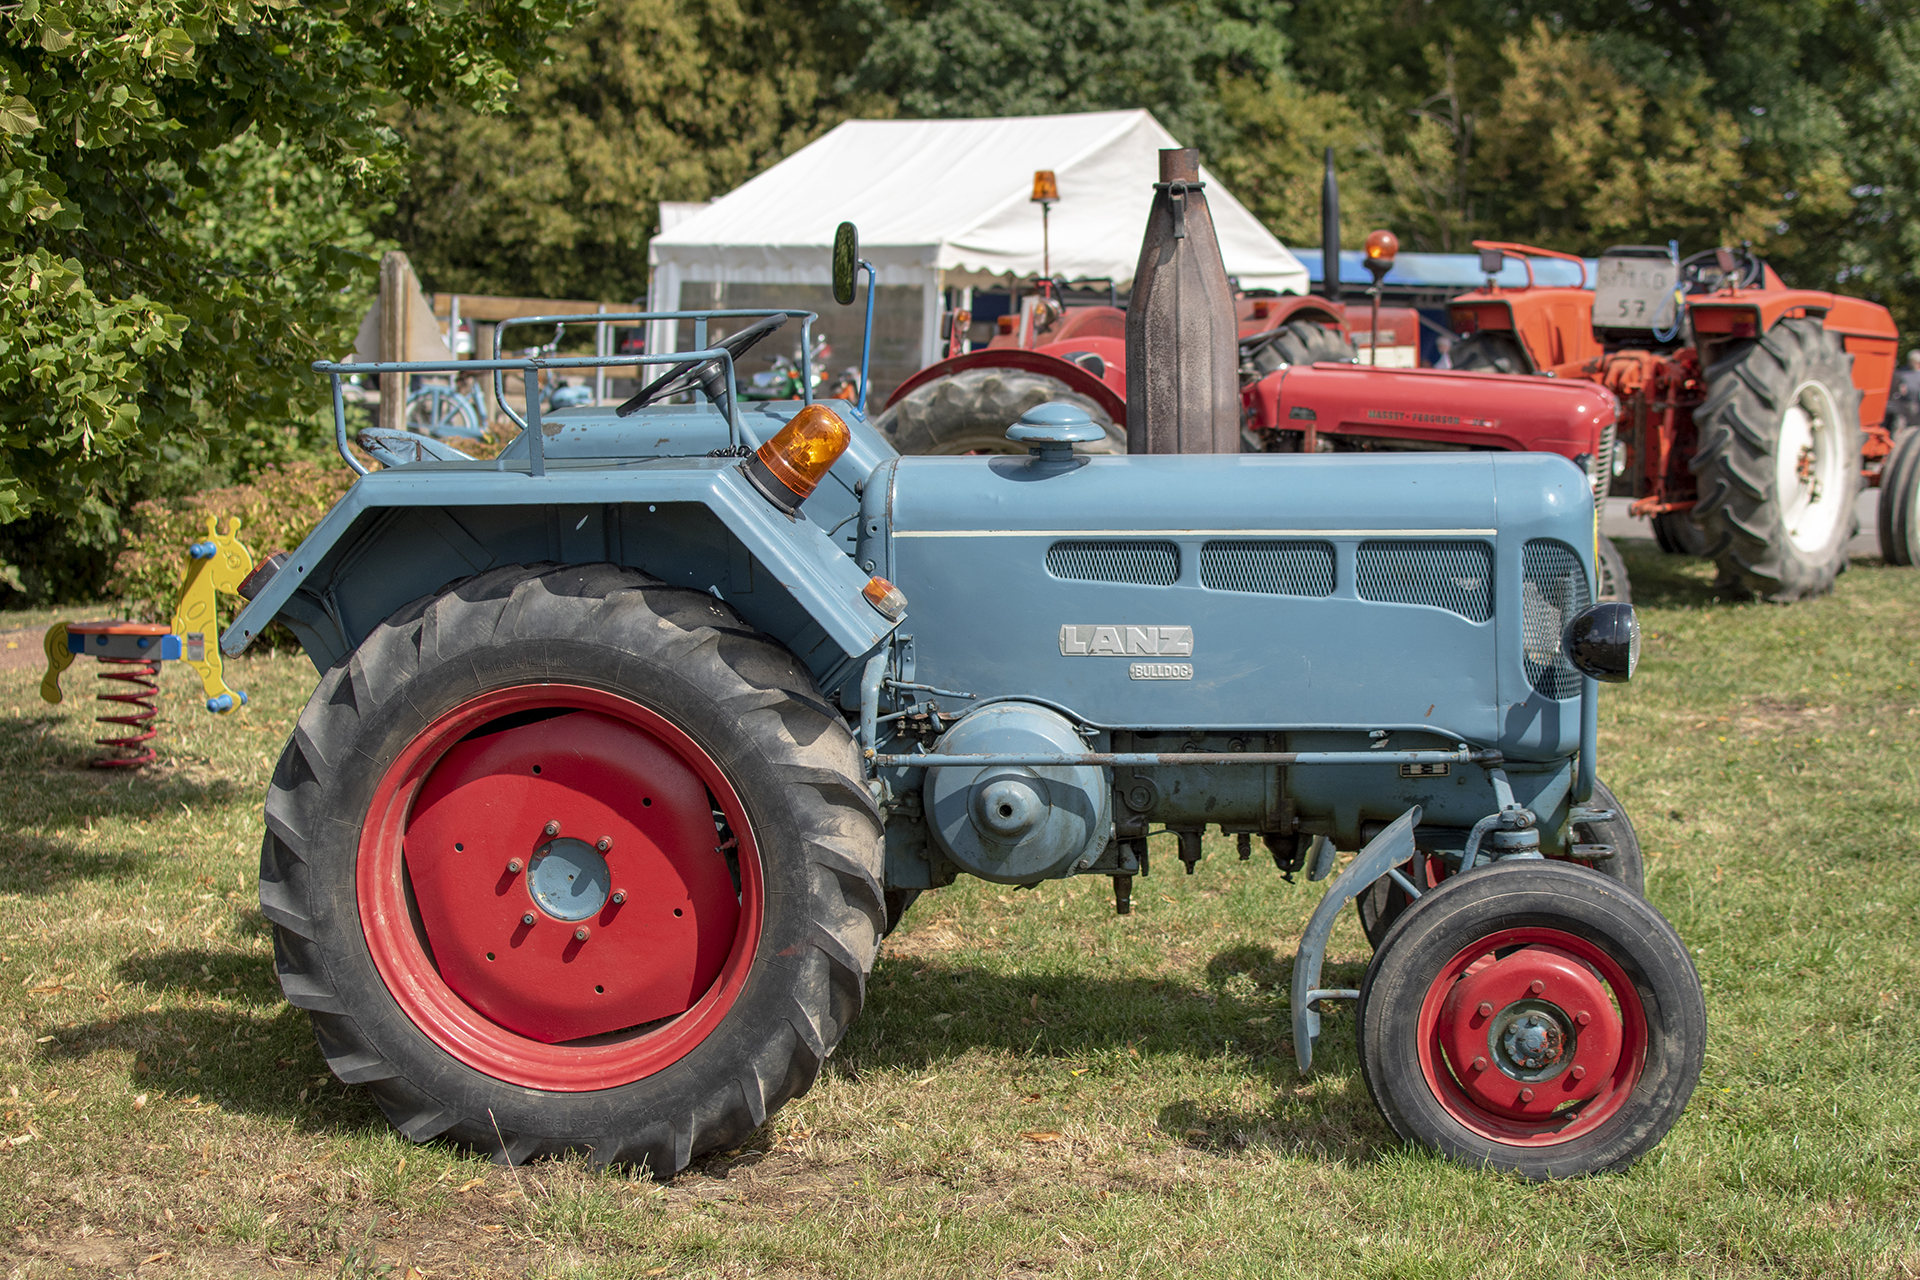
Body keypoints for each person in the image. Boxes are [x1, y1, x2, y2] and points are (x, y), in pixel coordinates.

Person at [1891, 349, 1920, 433]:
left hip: (1916, 402)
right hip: (1904, 402)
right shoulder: (1903, 372)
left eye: (1914, 361)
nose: (1911, 363)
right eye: (1910, 361)